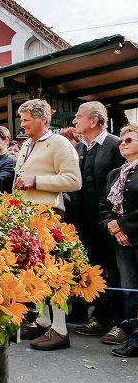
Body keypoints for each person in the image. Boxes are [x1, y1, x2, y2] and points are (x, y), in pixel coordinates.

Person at [13, 99, 82, 351]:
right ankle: (43, 321)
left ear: (43, 119)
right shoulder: (26, 145)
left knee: (54, 273)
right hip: (26, 216)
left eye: (26, 120)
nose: (22, 124)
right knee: (36, 271)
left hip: (49, 215)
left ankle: (61, 330)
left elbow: (74, 181)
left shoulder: (60, 143)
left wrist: (36, 181)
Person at [71, 101, 126, 343]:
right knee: (96, 270)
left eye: (79, 116)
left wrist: (114, 221)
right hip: (85, 223)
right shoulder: (80, 148)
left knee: (115, 272)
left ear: (94, 120)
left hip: (109, 223)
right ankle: (101, 317)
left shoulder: (115, 145)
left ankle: (120, 322)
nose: (75, 121)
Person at [99, 123, 138, 356]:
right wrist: (113, 228)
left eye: (129, 140)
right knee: (129, 290)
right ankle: (134, 338)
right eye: (121, 141)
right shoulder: (115, 173)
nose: (122, 144)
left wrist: (122, 225)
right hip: (121, 241)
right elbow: (103, 208)